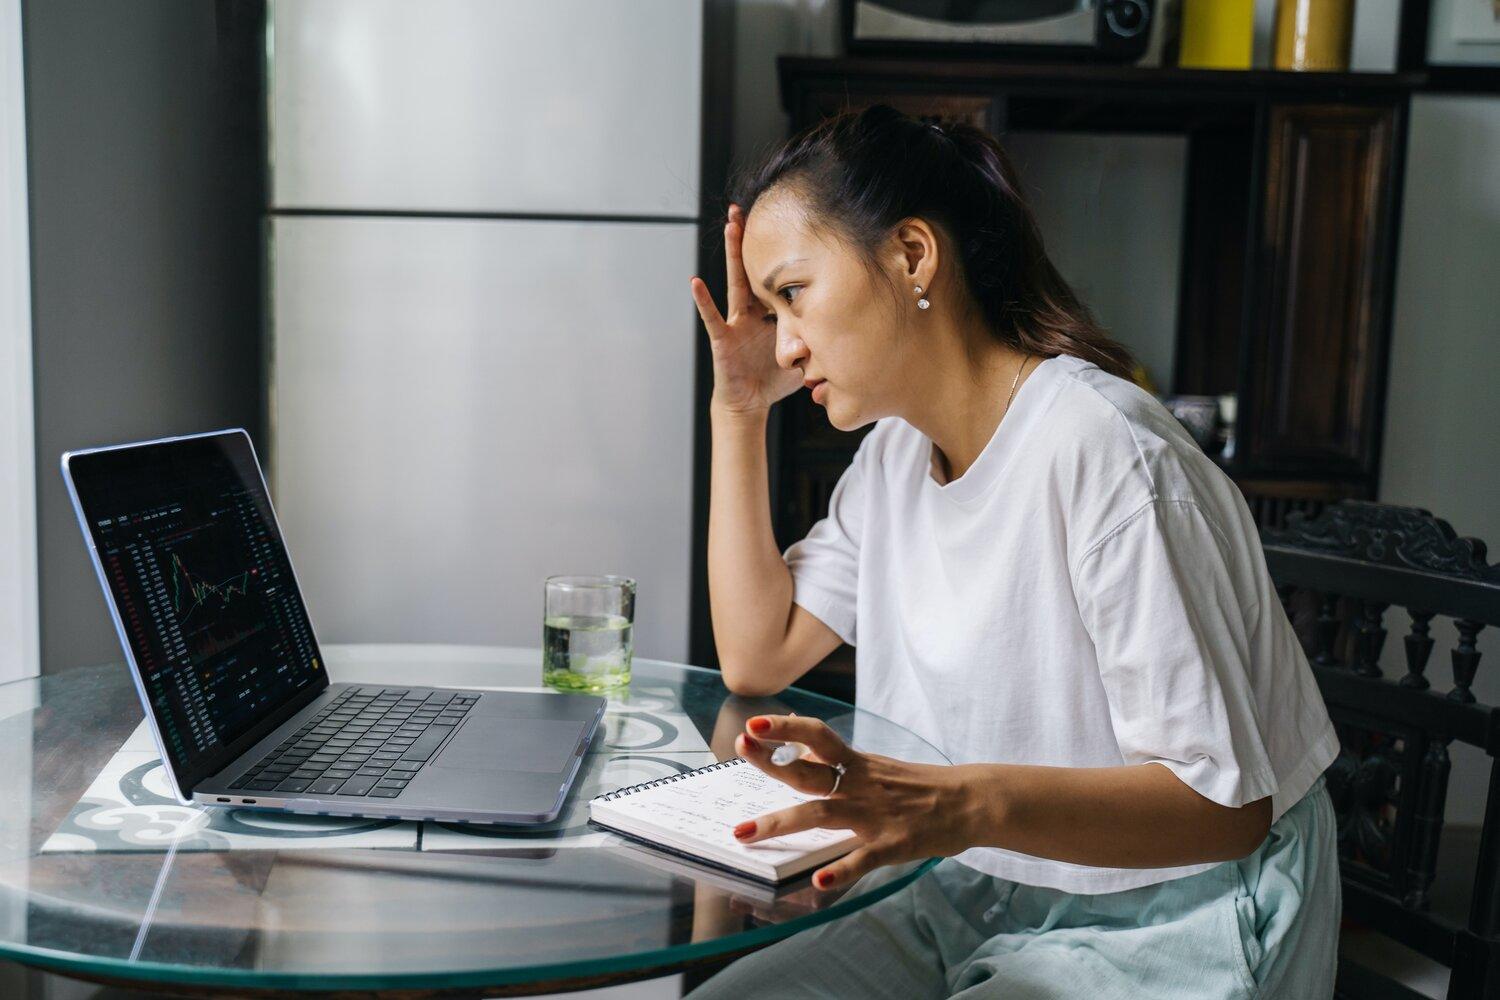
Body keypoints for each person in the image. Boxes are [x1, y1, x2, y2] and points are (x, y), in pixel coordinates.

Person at [683, 105, 1341, 999]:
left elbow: (1224, 810)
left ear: (913, 255)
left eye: (791, 294)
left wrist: (955, 804)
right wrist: (737, 410)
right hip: (961, 883)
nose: (784, 345)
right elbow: (757, 654)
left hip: (1173, 914)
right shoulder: (893, 454)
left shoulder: (1106, 451)